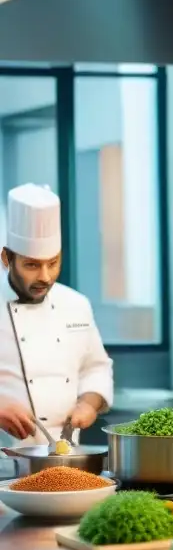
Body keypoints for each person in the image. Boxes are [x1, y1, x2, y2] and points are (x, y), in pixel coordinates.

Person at [0, 184, 114, 447]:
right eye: (31, 265)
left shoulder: (76, 304)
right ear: (6, 258)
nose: (45, 276)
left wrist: (89, 403)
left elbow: (96, 367)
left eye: (53, 262)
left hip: (64, 461)